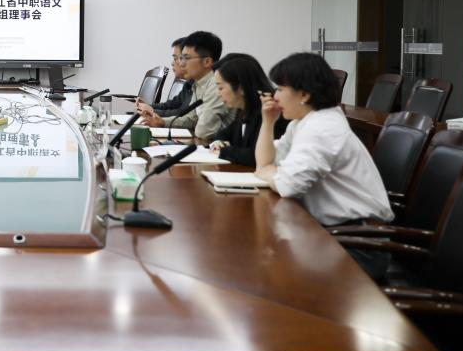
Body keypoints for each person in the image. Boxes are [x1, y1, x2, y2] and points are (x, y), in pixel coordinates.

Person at [254, 52, 394, 228]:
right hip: (335, 228)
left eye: (281, 89)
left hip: (357, 235)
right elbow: (266, 162)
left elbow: (288, 185)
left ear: (304, 95)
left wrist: (266, 171)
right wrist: (268, 123)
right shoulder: (304, 122)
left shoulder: (321, 128)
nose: (275, 96)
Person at [137, 31, 234, 140]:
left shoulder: (216, 86)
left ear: (207, 62)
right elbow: (191, 119)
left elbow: (204, 132)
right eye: (181, 58)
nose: (181, 64)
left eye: (186, 58)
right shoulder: (198, 83)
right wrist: (162, 122)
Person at [208, 53, 288, 167]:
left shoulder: (271, 110)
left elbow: (256, 155)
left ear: (241, 88)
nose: (218, 94)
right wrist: (218, 143)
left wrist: (225, 150)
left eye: (220, 88)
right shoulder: (243, 108)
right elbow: (224, 134)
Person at [136, 37, 192, 118]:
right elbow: (170, 105)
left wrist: (152, 111)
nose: (172, 63)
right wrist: (148, 106)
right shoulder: (189, 84)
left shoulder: (200, 86)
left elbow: (182, 114)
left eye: (175, 58)